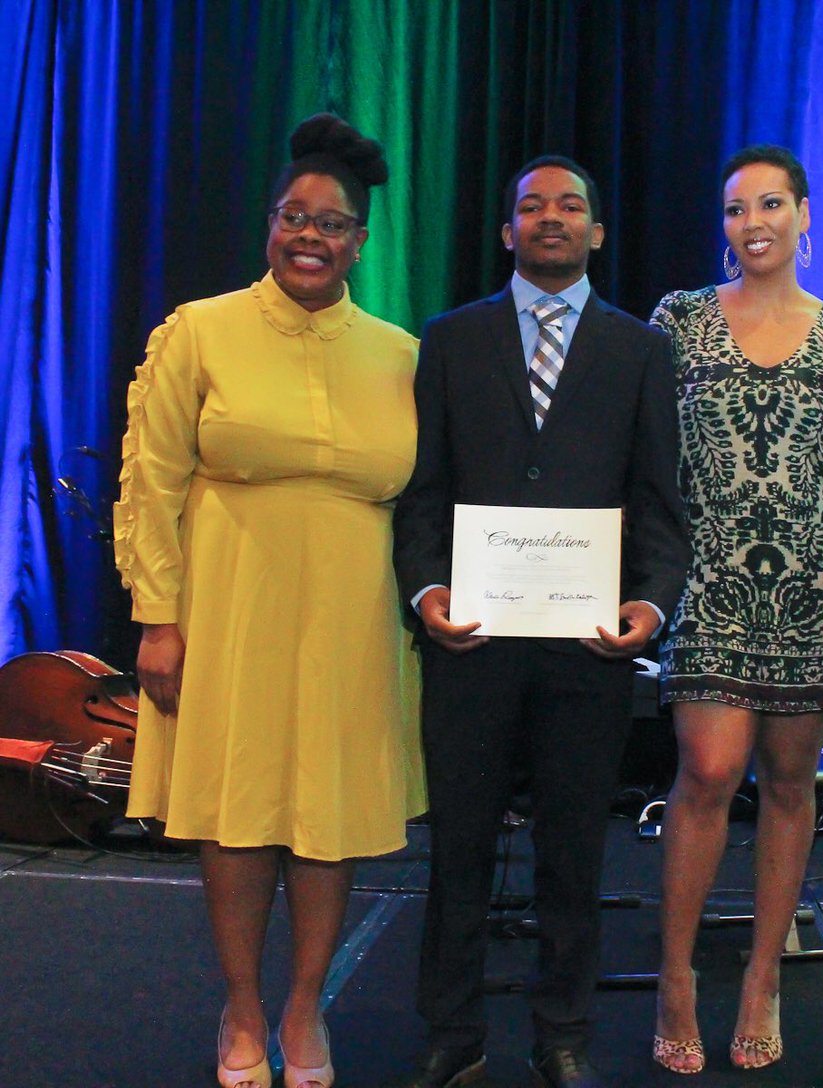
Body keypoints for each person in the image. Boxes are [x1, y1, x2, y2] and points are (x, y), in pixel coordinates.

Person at [114, 114, 426, 1088]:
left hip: (357, 618)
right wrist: (156, 615)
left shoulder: (402, 354)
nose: (310, 236)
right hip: (230, 606)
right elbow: (150, 477)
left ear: (361, 241)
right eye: (295, 216)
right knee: (239, 810)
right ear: (270, 222)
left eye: (333, 224)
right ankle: (244, 1005)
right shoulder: (201, 329)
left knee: (328, 814)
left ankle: (306, 1003)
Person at [390, 155, 688, 1088]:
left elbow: (660, 504)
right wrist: (424, 591)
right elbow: (423, 492)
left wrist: (650, 602)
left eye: (570, 207)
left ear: (597, 232)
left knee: (572, 850)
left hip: (588, 651)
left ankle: (563, 1035)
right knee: (460, 848)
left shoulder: (642, 350)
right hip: (468, 643)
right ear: (508, 231)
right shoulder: (448, 340)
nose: (550, 218)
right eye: (531, 206)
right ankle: (454, 1033)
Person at [648, 145, 823, 1075]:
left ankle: (762, 978)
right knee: (707, 768)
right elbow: (640, 447)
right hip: (710, 576)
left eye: (771, 204)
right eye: (736, 209)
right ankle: (675, 976)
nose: (753, 223)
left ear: (806, 215)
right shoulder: (680, 319)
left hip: (818, 581)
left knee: (788, 783)